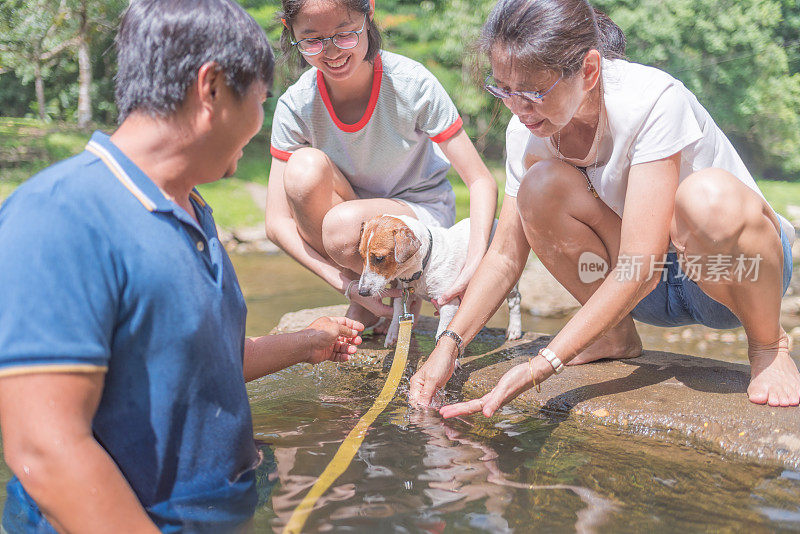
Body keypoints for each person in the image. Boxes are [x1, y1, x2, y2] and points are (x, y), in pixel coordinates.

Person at [0, 1, 364, 532]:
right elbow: (47, 450)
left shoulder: (189, 210)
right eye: (260, 101)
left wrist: (309, 342)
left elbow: (199, 365)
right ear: (211, 88)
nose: (261, 125)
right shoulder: (59, 217)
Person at [409, 0, 800, 413]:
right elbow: (505, 256)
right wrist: (447, 348)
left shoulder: (652, 100)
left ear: (589, 71)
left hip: (735, 277)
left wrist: (542, 365)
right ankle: (613, 336)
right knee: (539, 186)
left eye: (532, 93)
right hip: (637, 287)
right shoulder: (525, 133)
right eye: (503, 90)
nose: (518, 108)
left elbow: (644, 266)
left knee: (706, 199)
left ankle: (769, 345)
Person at [265, 0, 499, 329]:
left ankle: (404, 284)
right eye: (313, 40)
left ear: (369, 13)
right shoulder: (297, 104)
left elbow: (480, 180)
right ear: (290, 31)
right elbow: (276, 223)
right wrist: (348, 287)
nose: (331, 53)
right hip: (349, 225)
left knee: (341, 226)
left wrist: (474, 261)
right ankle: (371, 294)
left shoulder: (410, 84)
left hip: (417, 214)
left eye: (345, 34)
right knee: (303, 169)